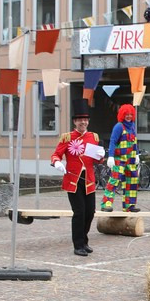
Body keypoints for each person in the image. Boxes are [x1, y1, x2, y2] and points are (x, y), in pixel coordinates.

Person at [53, 99, 105, 257]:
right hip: (72, 180)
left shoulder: (93, 137)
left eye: (85, 119)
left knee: (90, 212)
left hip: (88, 180)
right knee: (79, 212)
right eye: (79, 120)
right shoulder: (67, 137)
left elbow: (96, 160)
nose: (83, 122)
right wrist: (56, 163)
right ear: (75, 122)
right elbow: (56, 154)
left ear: (88, 121)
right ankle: (78, 244)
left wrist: (102, 157)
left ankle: (85, 240)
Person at [102, 103, 141, 213]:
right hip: (120, 158)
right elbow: (113, 141)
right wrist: (110, 156)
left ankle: (129, 205)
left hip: (131, 158)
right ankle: (106, 203)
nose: (128, 116)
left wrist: (137, 154)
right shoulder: (119, 126)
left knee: (132, 181)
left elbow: (134, 142)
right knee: (114, 180)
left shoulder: (132, 126)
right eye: (126, 114)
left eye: (130, 114)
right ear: (122, 115)